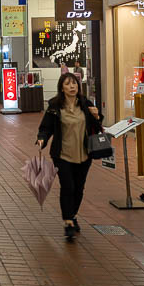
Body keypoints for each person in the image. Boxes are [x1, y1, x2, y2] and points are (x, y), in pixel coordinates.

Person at [36, 73, 103, 240]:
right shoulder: (54, 106)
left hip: (84, 155)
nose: (72, 87)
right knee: (68, 186)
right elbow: (46, 127)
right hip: (62, 154)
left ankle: (72, 215)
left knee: (79, 188)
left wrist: (97, 116)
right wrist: (42, 139)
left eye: (74, 83)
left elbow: (97, 126)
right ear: (62, 88)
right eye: (68, 84)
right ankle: (68, 222)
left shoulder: (85, 104)